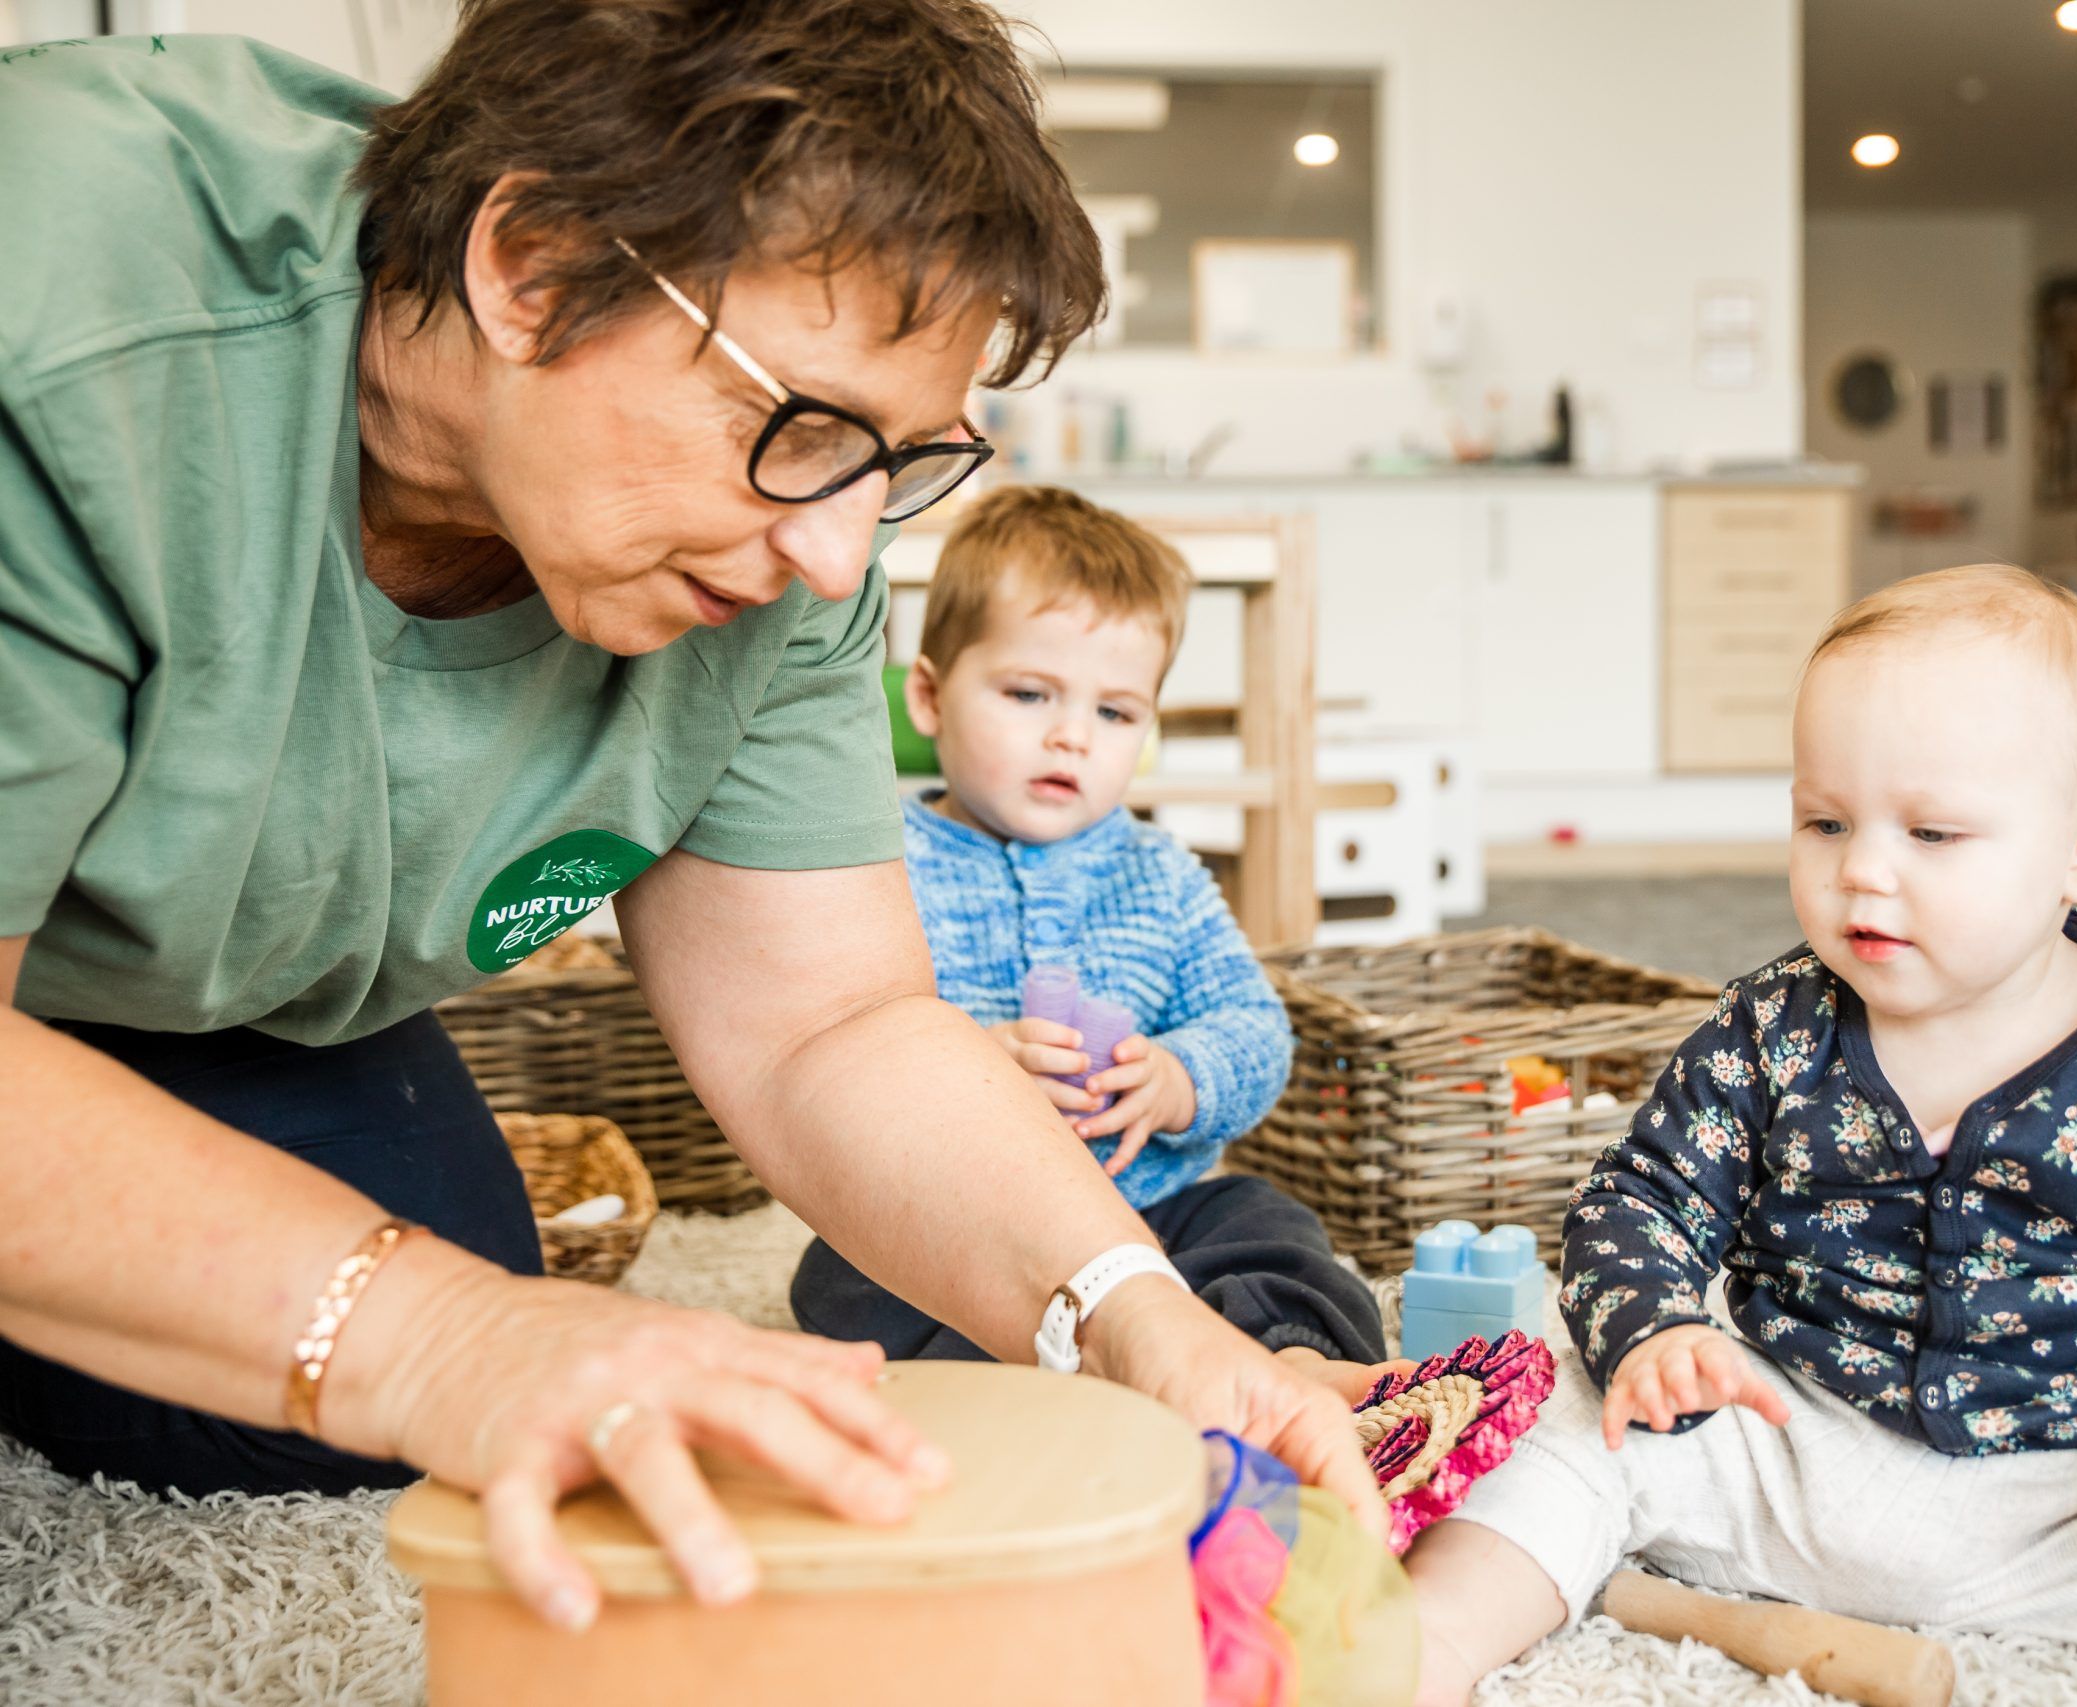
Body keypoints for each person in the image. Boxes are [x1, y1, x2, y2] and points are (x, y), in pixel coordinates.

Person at [0, 1, 1380, 1639]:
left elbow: (830, 1021)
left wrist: (1128, 1312)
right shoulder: (66, 308)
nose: (835, 557)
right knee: (423, 1334)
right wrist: (430, 1337)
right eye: (801, 431)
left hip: (193, 995)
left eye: (903, 460)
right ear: (529, 263)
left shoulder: (792, 540)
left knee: (403, 1323)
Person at [1403, 566, 2077, 1706]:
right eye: (1824, 820)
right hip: (1785, 1440)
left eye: (1934, 832)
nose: (1862, 866)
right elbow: (1639, 1198)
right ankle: (1419, 1649)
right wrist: (1654, 1333)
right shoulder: (1770, 1023)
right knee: (1551, 1415)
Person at [792, 487, 1395, 1400]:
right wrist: (967, 1067)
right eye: (1029, 693)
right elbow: (831, 1032)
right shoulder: (881, 859)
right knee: (840, 1277)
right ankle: (1027, 1389)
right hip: (953, 1222)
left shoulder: (1160, 873)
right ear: (928, 696)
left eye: (1116, 713)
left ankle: (1293, 1364)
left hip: (1152, 1207)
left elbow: (1255, 1023)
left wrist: (1179, 1076)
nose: (1072, 734)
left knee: (1264, 1223)